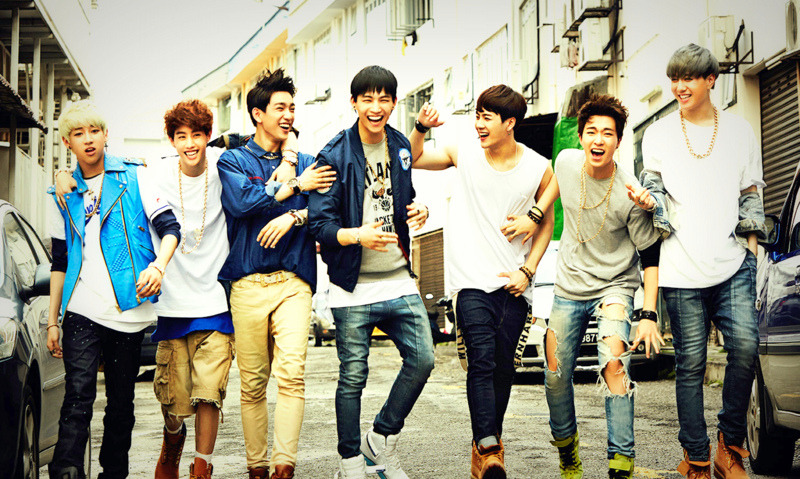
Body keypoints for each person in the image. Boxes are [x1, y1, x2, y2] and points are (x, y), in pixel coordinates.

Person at [631, 44, 765, 479]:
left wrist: (751, 253)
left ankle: (730, 447)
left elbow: (750, 194)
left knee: (745, 347)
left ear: (711, 80)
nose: (679, 86)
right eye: (674, 78)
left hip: (733, 263)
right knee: (690, 364)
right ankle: (697, 458)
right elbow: (653, 190)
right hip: (680, 267)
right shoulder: (658, 134)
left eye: (688, 77)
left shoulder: (740, 131)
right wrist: (649, 202)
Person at [409, 85, 555, 479]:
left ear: (510, 123)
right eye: (477, 115)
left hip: (514, 283)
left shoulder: (536, 166)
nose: (478, 124)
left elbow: (549, 215)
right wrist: (421, 127)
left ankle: (486, 449)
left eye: (487, 117)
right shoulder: (464, 152)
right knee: (482, 360)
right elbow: (415, 157)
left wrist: (529, 268)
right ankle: (490, 447)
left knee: (503, 369)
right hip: (470, 283)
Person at [519, 95, 664, 479]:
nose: (599, 140)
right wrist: (536, 214)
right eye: (592, 132)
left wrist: (648, 314)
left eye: (608, 133)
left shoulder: (630, 191)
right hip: (569, 286)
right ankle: (568, 452)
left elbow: (650, 254)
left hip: (615, 286)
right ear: (581, 137)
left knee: (614, 363)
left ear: (618, 141)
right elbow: (557, 180)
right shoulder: (567, 161)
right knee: (554, 374)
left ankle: (621, 464)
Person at [308, 65, 433, 479]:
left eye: (384, 99)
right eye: (367, 99)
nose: (375, 107)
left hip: (398, 278)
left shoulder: (400, 146)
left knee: (423, 359)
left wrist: (420, 209)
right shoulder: (333, 155)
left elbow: (404, 197)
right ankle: (350, 464)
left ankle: (379, 440)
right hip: (352, 286)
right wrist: (358, 235)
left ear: (394, 103)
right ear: (354, 103)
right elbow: (319, 225)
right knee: (353, 377)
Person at [46, 101, 181, 479]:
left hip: (128, 310)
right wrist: (54, 320)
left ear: (106, 134)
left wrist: (158, 266)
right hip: (81, 308)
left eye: (94, 131)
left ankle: (114, 474)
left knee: (121, 404)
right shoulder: (61, 192)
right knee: (77, 397)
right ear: (67, 142)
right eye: (78, 134)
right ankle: (67, 471)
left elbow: (170, 228)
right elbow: (60, 263)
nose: (88, 140)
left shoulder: (136, 176)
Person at [216, 68, 335, 479]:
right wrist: (292, 185)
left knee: (292, 376)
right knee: (252, 384)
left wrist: (295, 216)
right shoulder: (233, 160)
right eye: (280, 108)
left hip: (293, 283)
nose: (288, 115)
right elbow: (243, 203)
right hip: (247, 283)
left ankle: (284, 466)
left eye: (292, 108)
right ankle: (257, 467)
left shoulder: (308, 162)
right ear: (258, 114)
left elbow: (330, 211)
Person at [143, 100, 235, 479]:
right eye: (181, 136)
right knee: (175, 401)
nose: (190, 144)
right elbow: (106, 166)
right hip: (173, 303)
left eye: (197, 135)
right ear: (172, 140)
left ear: (208, 135)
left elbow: (265, 140)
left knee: (209, 393)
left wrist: (291, 154)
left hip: (216, 302)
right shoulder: (155, 172)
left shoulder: (224, 165)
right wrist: (64, 173)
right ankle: (173, 437)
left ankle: (202, 467)